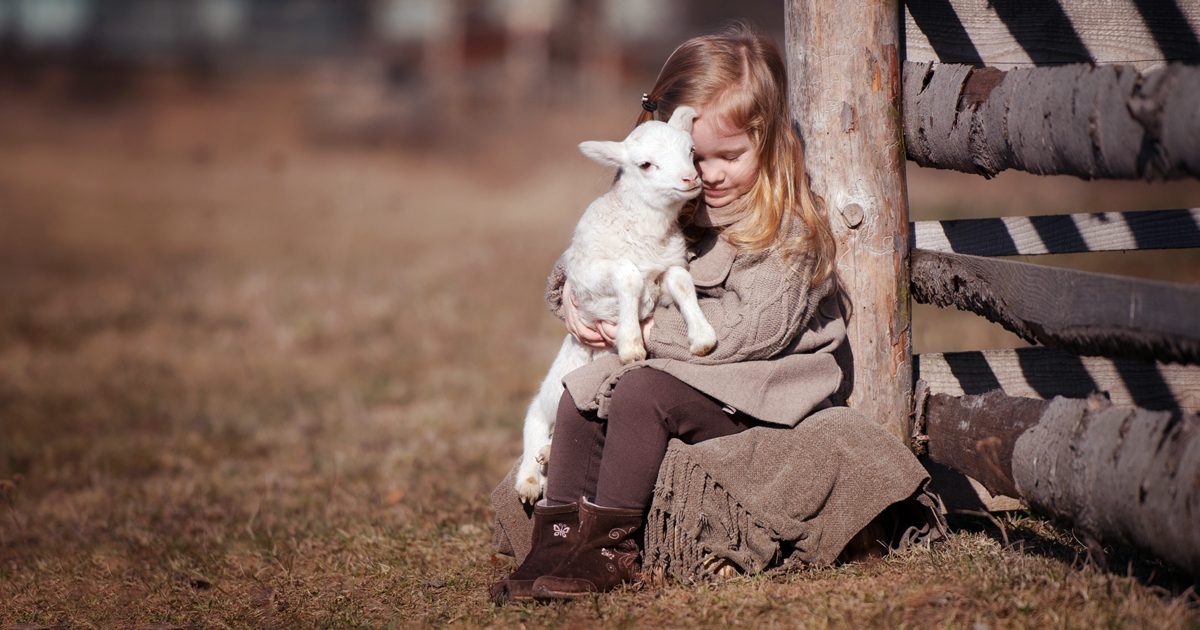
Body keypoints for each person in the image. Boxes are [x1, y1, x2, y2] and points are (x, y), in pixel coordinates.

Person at [491, 20, 848, 602]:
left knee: (638, 392)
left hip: (755, 397)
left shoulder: (786, 229)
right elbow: (599, 245)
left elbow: (747, 332)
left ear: (770, 142)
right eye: (693, 156)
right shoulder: (668, 195)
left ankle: (611, 549)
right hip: (682, 377)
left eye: (728, 156)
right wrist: (576, 298)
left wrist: (650, 330)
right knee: (585, 389)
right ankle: (556, 540)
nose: (705, 175)